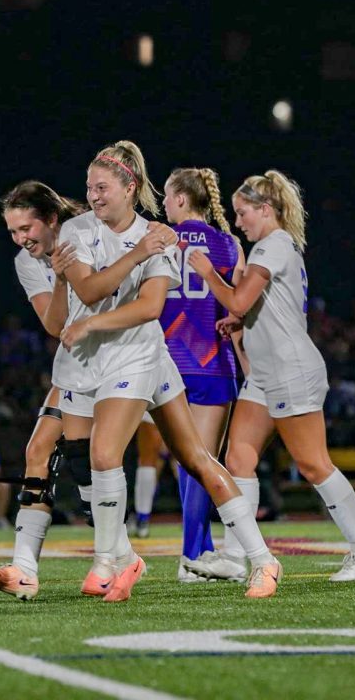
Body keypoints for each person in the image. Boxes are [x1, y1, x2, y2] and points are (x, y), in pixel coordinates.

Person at [58, 141, 283, 601]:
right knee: (197, 459)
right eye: (88, 187)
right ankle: (258, 558)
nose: (93, 195)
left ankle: (111, 561)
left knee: (106, 454)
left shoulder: (160, 235)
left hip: (140, 355)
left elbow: (150, 307)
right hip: (109, 360)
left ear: (129, 188)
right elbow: (89, 286)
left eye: (101, 187)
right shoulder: (82, 230)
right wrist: (136, 255)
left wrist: (94, 318)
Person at [188, 169, 355, 582]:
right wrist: (242, 327)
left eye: (244, 213)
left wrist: (209, 274)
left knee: (313, 465)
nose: (238, 222)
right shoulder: (273, 247)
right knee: (238, 458)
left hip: (291, 371)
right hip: (265, 373)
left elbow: (239, 301)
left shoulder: (272, 246)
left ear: (266, 209)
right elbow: (257, 310)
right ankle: (237, 555)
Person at [0, 180, 99, 601]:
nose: (21, 239)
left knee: (190, 456)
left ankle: (257, 556)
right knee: (39, 451)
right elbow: (53, 324)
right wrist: (61, 279)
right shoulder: (28, 262)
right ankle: (24, 570)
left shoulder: (93, 231)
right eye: (13, 232)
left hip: (132, 361)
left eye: (27, 229)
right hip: (78, 368)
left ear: (51, 220)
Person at [159, 167, 247, 582]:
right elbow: (242, 307)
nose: (162, 203)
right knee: (203, 461)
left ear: (180, 199)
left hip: (165, 362)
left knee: (187, 462)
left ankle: (200, 551)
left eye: (166, 196)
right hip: (212, 362)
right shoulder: (228, 243)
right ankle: (193, 556)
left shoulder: (157, 241)